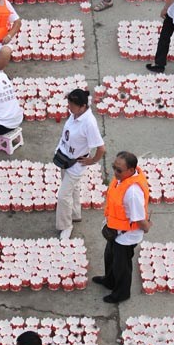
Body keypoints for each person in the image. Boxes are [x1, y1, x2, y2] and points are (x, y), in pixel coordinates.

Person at [93, 151, 152, 303]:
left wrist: (146, 228)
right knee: (110, 256)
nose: (115, 172)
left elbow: (139, 219)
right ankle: (109, 280)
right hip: (115, 229)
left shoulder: (132, 193)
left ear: (131, 170)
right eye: (114, 168)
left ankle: (121, 293)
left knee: (122, 266)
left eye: (119, 170)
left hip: (127, 235)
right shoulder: (121, 180)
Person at [54, 89, 105, 241]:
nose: (69, 107)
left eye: (72, 104)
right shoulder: (75, 114)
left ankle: (66, 225)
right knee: (73, 188)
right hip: (64, 158)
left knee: (63, 196)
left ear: (83, 106)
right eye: (69, 103)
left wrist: (92, 160)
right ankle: (75, 213)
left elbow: (101, 148)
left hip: (76, 164)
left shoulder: (89, 123)